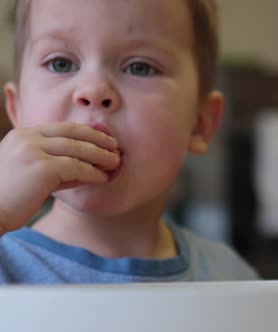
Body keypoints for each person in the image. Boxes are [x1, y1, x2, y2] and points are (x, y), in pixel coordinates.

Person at [0, 0, 258, 283]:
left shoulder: (232, 278)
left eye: (140, 67)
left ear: (199, 123)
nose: (94, 90)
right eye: (61, 63)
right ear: (17, 111)